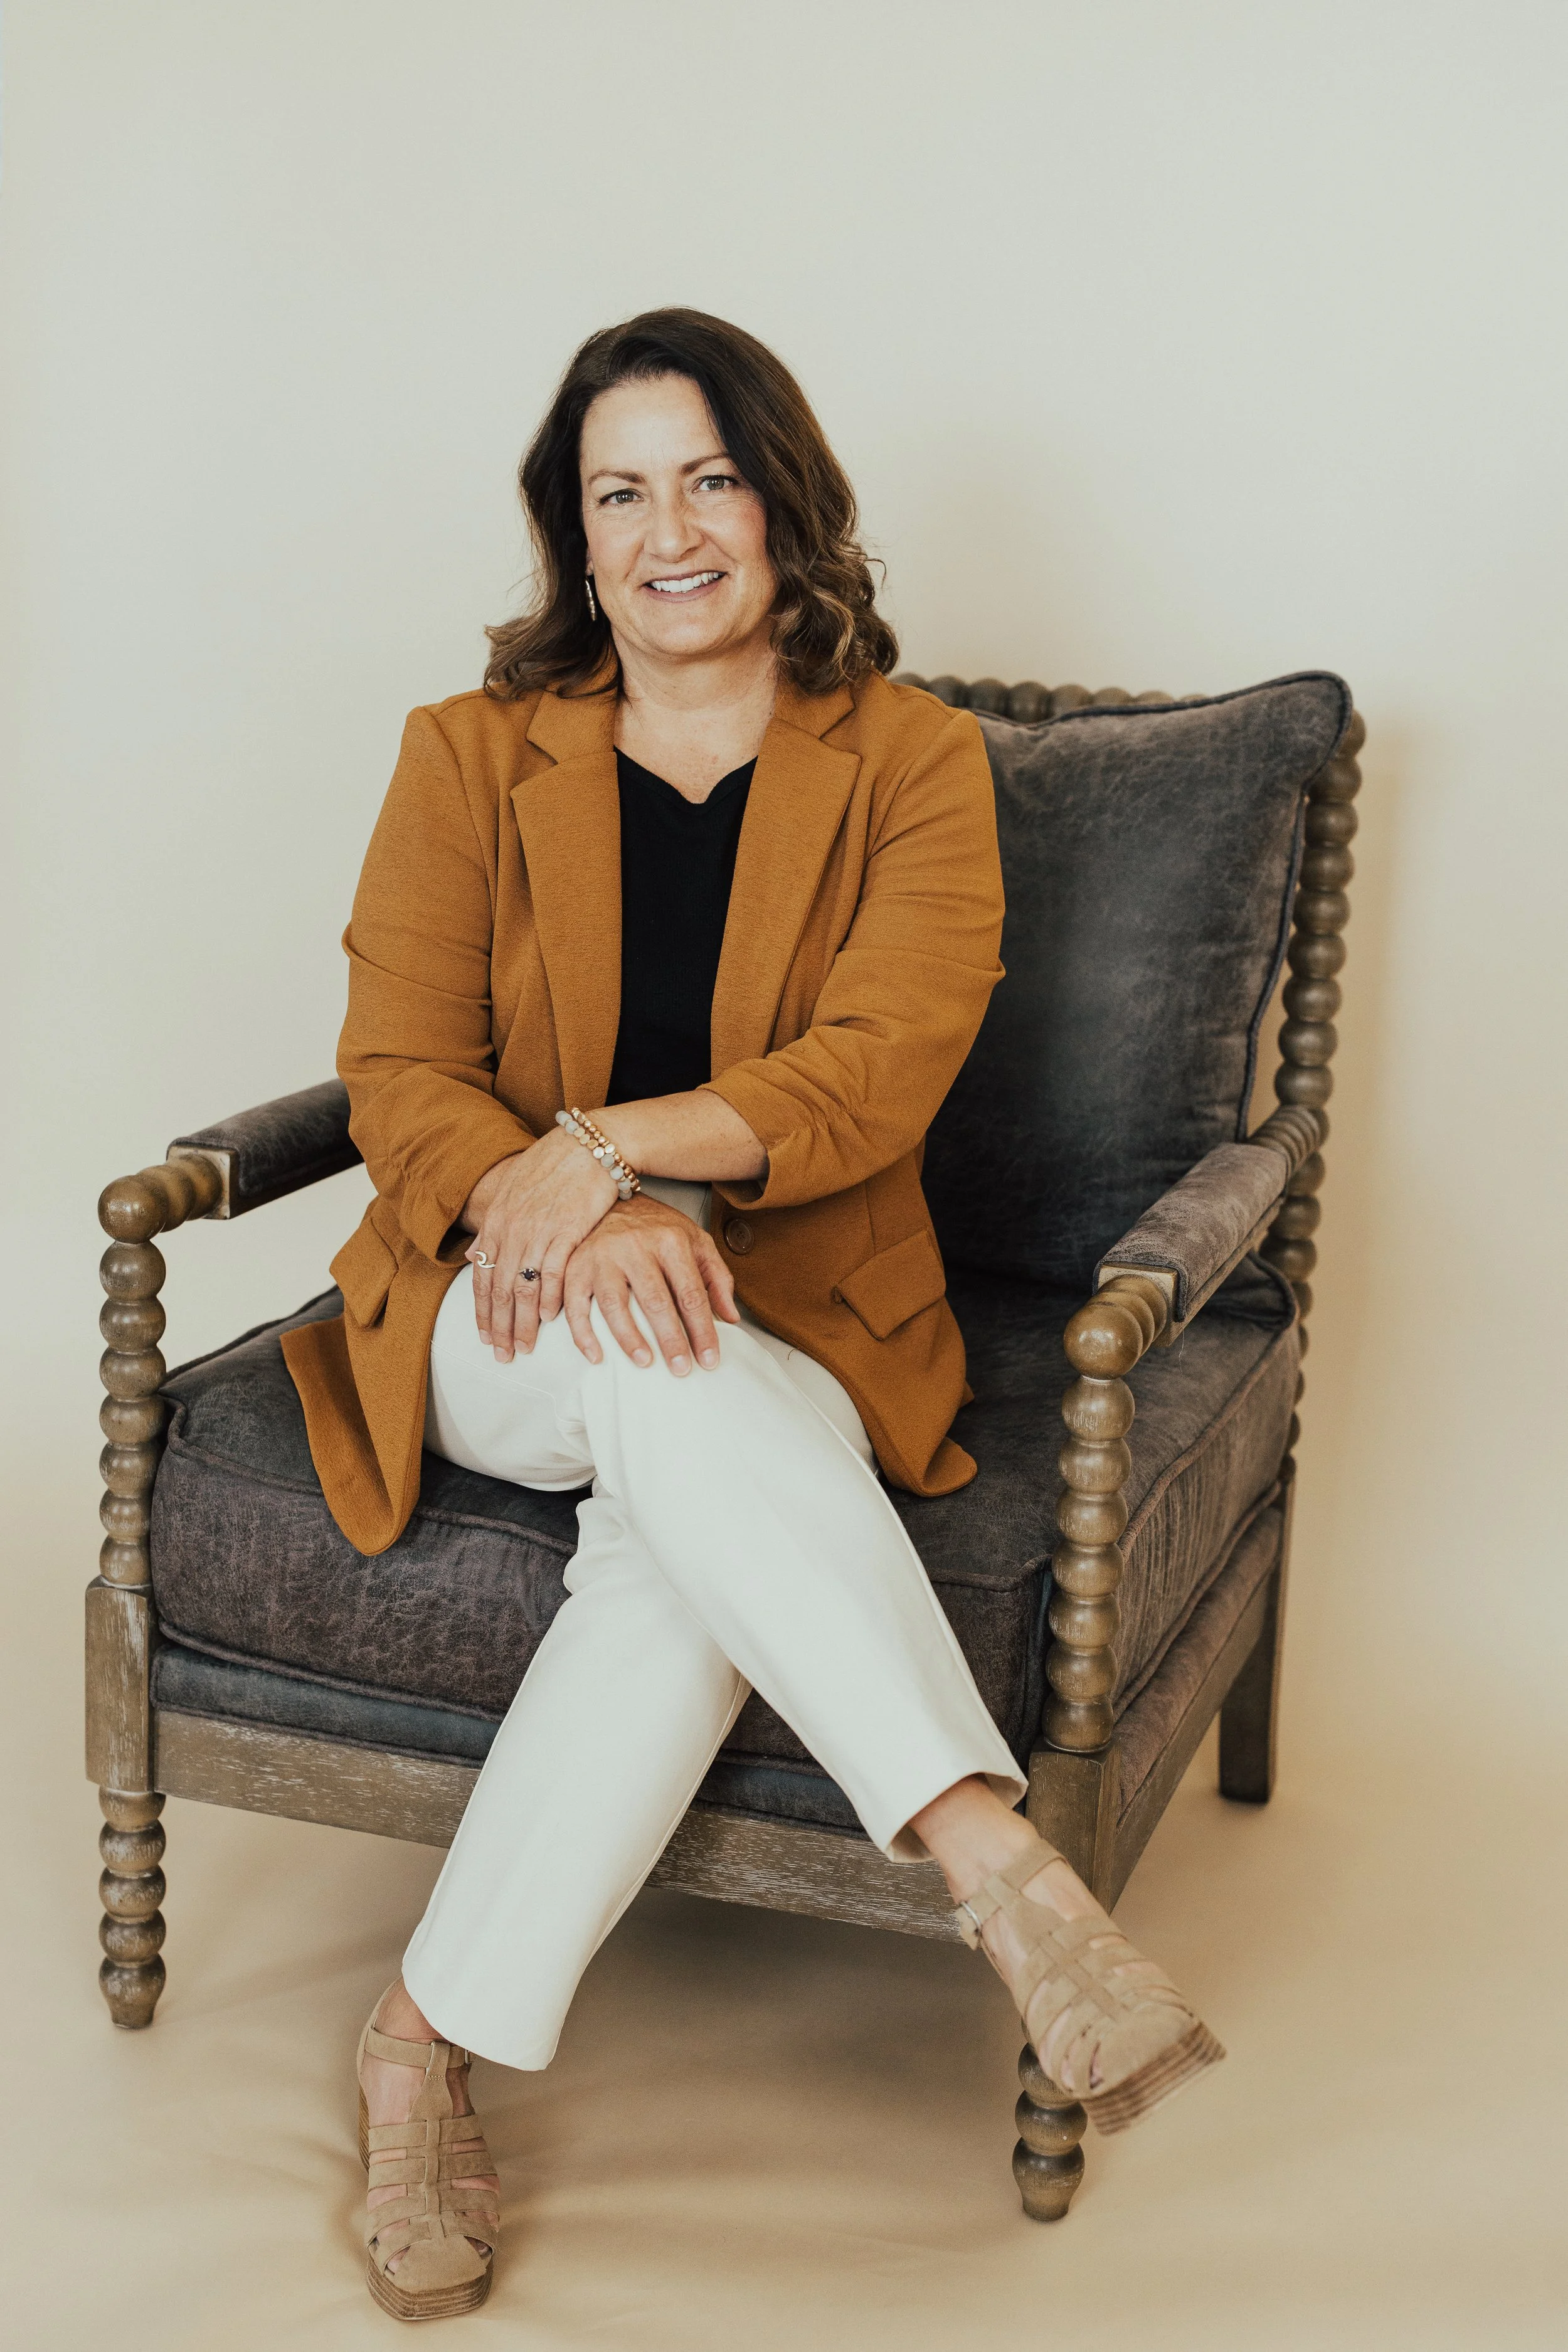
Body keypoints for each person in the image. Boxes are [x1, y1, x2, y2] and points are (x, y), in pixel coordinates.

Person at [283, 307, 1222, 2322]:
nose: (668, 530)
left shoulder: (912, 762)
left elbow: (878, 1067)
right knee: (665, 1355)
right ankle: (997, 1867)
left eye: (707, 476)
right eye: (619, 492)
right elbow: (398, 1071)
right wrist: (565, 1201)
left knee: (677, 1531)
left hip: (785, 1317)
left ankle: (420, 2045)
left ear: (786, 500)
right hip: (489, 1308)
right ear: (576, 536)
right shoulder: (469, 755)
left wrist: (609, 1145)